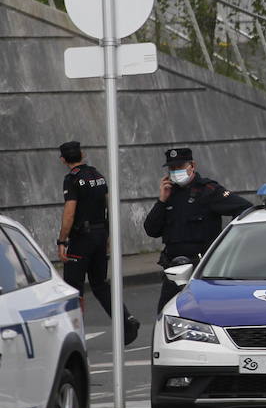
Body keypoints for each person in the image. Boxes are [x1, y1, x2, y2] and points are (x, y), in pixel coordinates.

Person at [142, 147, 252, 313]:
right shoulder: (169, 193)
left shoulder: (208, 191)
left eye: (180, 167)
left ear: (192, 166)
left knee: (203, 314)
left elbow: (244, 208)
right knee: (165, 314)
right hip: (173, 269)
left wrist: (228, 244)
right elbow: (151, 230)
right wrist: (162, 201)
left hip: (201, 268)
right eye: (172, 168)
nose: (175, 171)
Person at [56, 141, 141, 346]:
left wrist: (62, 240)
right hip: (100, 235)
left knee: (72, 289)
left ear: (62, 160)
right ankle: (126, 322)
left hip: (81, 239)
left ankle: (74, 335)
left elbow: (69, 213)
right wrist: (108, 234)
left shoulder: (72, 180)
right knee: (100, 285)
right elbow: (108, 207)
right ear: (82, 154)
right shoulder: (97, 176)